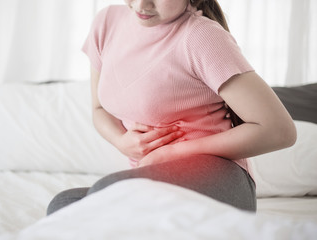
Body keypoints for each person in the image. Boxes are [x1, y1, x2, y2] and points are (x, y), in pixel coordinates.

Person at [46, 0, 296, 215]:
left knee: (107, 195)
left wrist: (173, 153)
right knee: (64, 205)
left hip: (220, 176)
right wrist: (122, 141)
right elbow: (99, 109)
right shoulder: (106, 23)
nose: (142, 5)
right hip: (151, 182)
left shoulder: (201, 36)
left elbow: (279, 130)